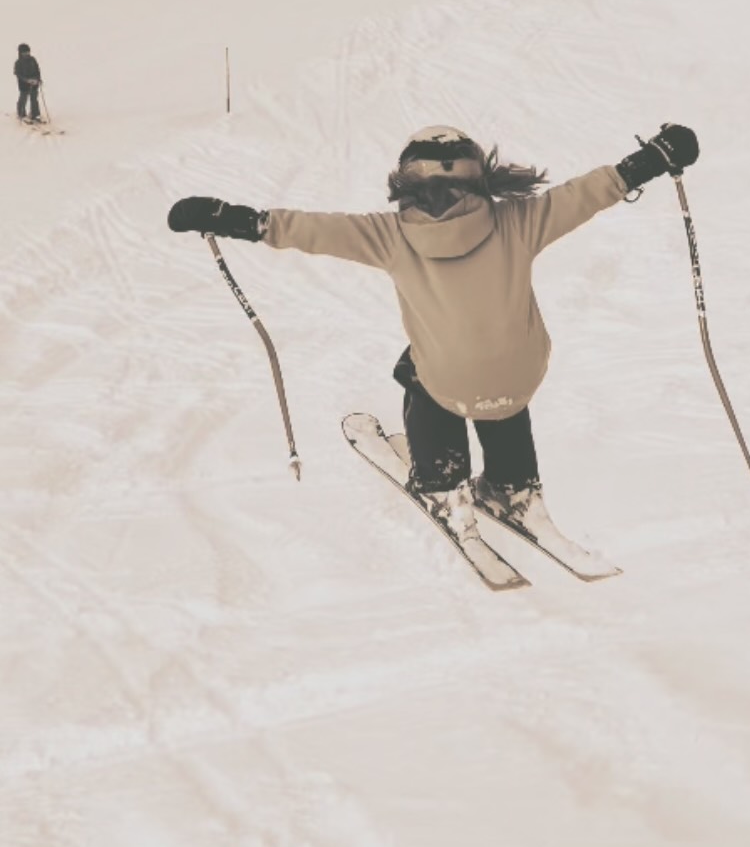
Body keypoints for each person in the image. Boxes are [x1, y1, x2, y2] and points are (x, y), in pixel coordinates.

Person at [167, 122, 699, 535]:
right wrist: (653, 158)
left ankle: (441, 481)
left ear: (406, 180)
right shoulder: (521, 221)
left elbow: (304, 229)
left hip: (450, 381)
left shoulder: (387, 234)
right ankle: (513, 485)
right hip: (522, 375)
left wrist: (229, 217)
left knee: (422, 368)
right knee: (499, 373)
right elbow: (589, 192)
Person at [14, 44, 42, 123]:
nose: (26, 54)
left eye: (27, 52)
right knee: (23, 98)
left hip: (34, 83)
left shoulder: (33, 59)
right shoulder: (18, 62)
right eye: (24, 52)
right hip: (23, 84)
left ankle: (35, 114)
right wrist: (27, 80)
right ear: (20, 53)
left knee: (34, 99)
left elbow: (37, 70)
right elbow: (18, 73)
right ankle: (21, 114)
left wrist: (38, 79)